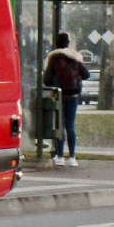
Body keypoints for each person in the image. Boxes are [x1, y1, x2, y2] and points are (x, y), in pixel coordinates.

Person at [43, 32, 90, 167]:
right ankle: (72, 157)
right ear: (68, 43)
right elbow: (86, 74)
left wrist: (55, 81)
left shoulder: (54, 58)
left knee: (60, 126)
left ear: (56, 43)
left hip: (59, 96)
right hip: (73, 96)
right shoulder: (74, 58)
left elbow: (46, 80)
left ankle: (59, 156)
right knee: (70, 125)